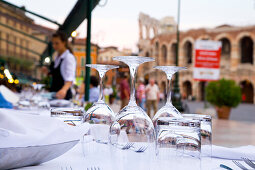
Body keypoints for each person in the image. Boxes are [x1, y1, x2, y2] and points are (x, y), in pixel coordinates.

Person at [43, 31, 76, 100]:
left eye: (57, 43)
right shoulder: (57, 57)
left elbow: (70, 78)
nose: (54, 46)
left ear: (64, 42)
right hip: (54, 94)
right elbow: (57, 75)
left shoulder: (68, 57)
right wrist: (47, 72)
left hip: (63, 96)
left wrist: (63, 90)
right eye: (53, 43)